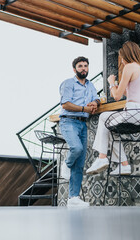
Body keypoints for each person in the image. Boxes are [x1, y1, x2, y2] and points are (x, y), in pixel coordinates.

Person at [86, 41, 140, 176]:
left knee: (104, 117)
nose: (122, 61)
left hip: (134, 113)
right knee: (112, 130)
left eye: (122, 57)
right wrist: (116, 87)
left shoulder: (130, 67)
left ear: (126, 56)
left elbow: (116, 96)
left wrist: (111, 83)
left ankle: (101, 158)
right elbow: (129, 93)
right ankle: (124, 165)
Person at [59, 56, 101, 207]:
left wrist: (95, 103)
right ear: (74, 69)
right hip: (68, 121)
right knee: (76, 148)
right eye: (80, 66)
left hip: (83, 124)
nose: (84, 68)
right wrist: (84, 108)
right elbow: (66, 104)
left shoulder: (90, 85)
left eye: (86, 66)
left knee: (80, 164)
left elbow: (97, 98)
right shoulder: (68, 83)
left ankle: (73, 198)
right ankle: (66, 164)